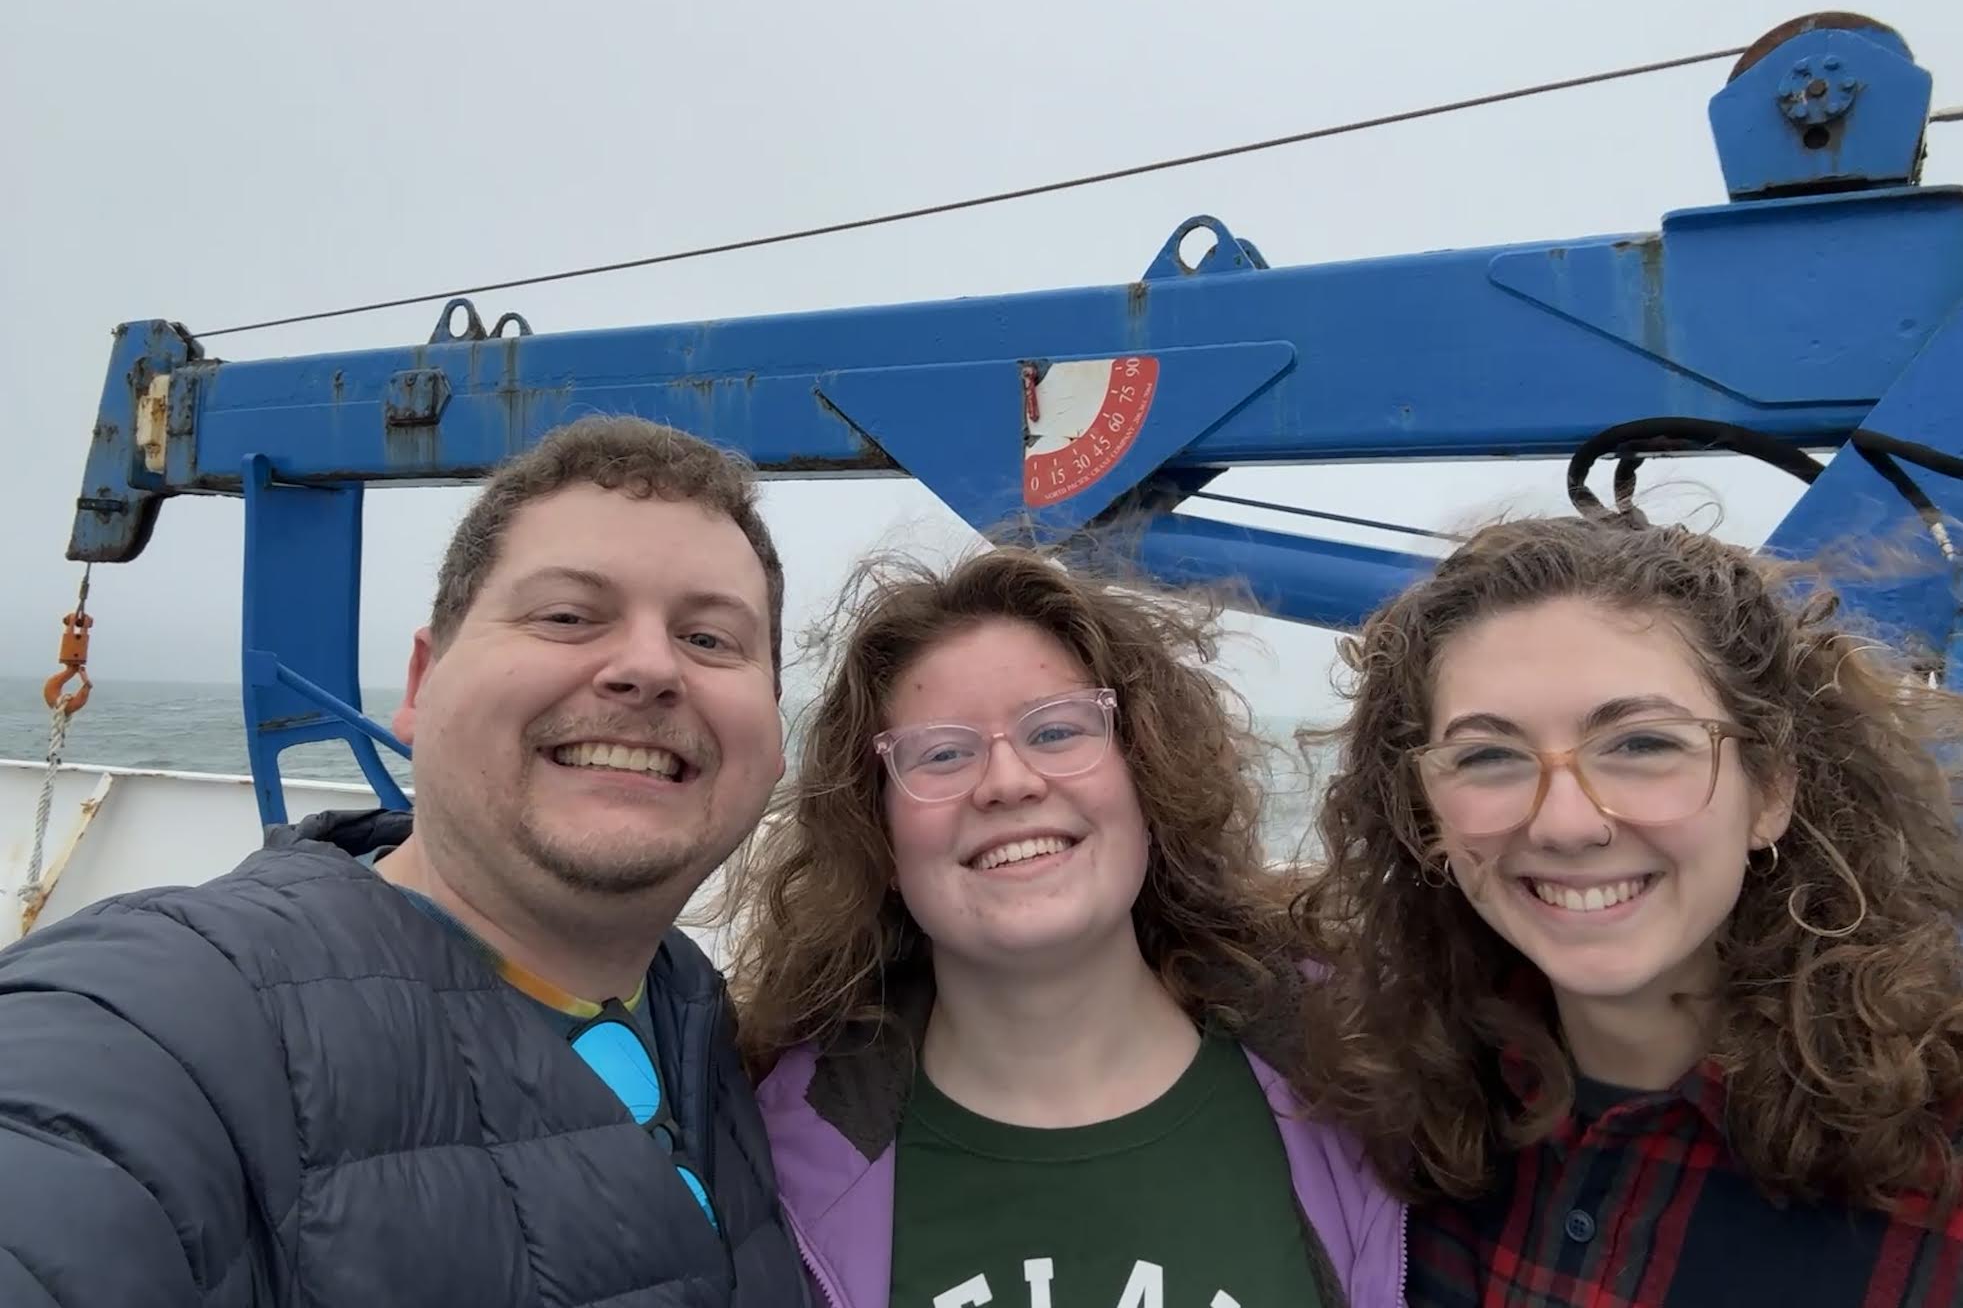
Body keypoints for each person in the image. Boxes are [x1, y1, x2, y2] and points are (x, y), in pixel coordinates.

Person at [0, 416, 809, 1307]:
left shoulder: (712, 1026)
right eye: (569, 616)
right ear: (420, 687)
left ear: (772, 736)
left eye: (709, 640)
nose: (650, 667)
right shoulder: (166, 1020)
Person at [1293, 511, 1963, 1306]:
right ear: (1423, 815)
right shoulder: (1393, 1120)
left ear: (1771, 790)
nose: (1565, 824)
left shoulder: (1937, 1169)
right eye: (1488, 757)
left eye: (1642, 744)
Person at [723, 547, 1406, 1308]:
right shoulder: (768, 1162)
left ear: (1146, 780)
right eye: (941, 753)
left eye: (1055, 732)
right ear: (878, 839)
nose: (1009, 782)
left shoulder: (1370, 1079)